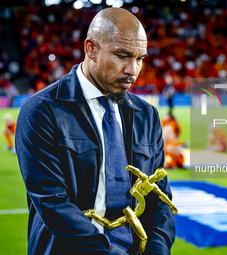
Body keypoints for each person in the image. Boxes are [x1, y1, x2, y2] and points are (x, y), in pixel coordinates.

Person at [16, 8, 175, 255]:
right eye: (122, 55)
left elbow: (159, 198)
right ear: (91, 49)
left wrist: (158, 248)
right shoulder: (41, 111)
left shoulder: (147, 116)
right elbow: (52, 203)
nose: (133, 70)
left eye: (140, 58)